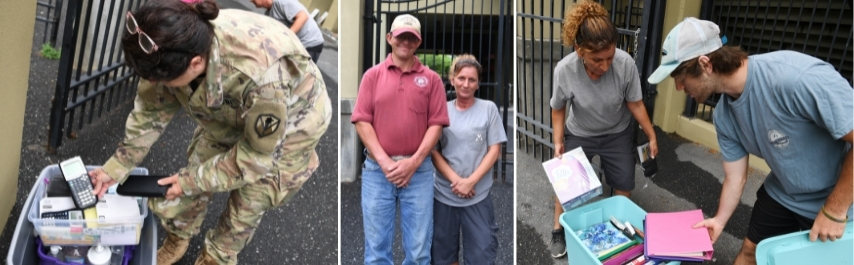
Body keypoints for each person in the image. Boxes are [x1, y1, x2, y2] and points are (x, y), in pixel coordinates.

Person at [87, 0, 332, 264]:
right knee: (198, 168)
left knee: (249, 200)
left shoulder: (263, 78)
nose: (155, 85)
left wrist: (188, 181)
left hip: (294, 120)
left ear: (195, 64)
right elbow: (150, 110)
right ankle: (179, 237)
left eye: (163, 81)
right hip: (233, 105)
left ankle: (216, 256)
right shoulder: (170, 44)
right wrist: (116, 167)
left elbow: (255, 160)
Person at [648, 17, 853, 265]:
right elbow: (736, 177)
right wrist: (720, 220)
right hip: (784, 192)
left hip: (837, 198)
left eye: (680, 77)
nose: (679, 87)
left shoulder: (795, 79)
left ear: (705, 64)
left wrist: (835, 210)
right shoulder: (724, 115)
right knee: (750, 252)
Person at [547, 0, 658, 258]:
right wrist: (558, 140)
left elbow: (636, 103)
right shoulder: (564, 70)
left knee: (624, 183)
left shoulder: (625, 64)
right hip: (580, 132)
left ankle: (618, 230)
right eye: (598, 59)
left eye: (610, 56)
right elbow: (558, 107)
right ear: (579, 50)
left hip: (617, 133)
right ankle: (557, 230)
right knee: (568, 188)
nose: (606, 65)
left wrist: (651, 134)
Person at [351, 14, 449, 265]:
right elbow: (362, 121)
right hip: (377, 171)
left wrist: (413, 163)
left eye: (411, 37)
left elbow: (436, 125)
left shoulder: (432, 80)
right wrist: (385, 162)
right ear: (389, 38)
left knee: (418, 253)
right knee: (376, 252)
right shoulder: (371, 76)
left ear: (418, 42)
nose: (406, 41)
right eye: (401, 36)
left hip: (418, 173)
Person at [431, 55, 507, 265]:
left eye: (471, 79)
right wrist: (458, 181)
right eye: (461, 78)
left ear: (478, 83)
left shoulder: (488, 109)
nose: (466, 84)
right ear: (452, 79)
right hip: (445, 194)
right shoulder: (442, 110)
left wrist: (471, 182)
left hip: (477, 195)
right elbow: (434, 151)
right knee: (443, 256)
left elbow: (494, 150)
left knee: (481, 255)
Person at [250, 0, 325, 63]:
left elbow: (303, 17)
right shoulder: (269, 13)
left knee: (301, 76)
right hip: (296, 44)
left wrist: (285, 38)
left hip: (310, 43)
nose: (250, 0)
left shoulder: (283, 1)